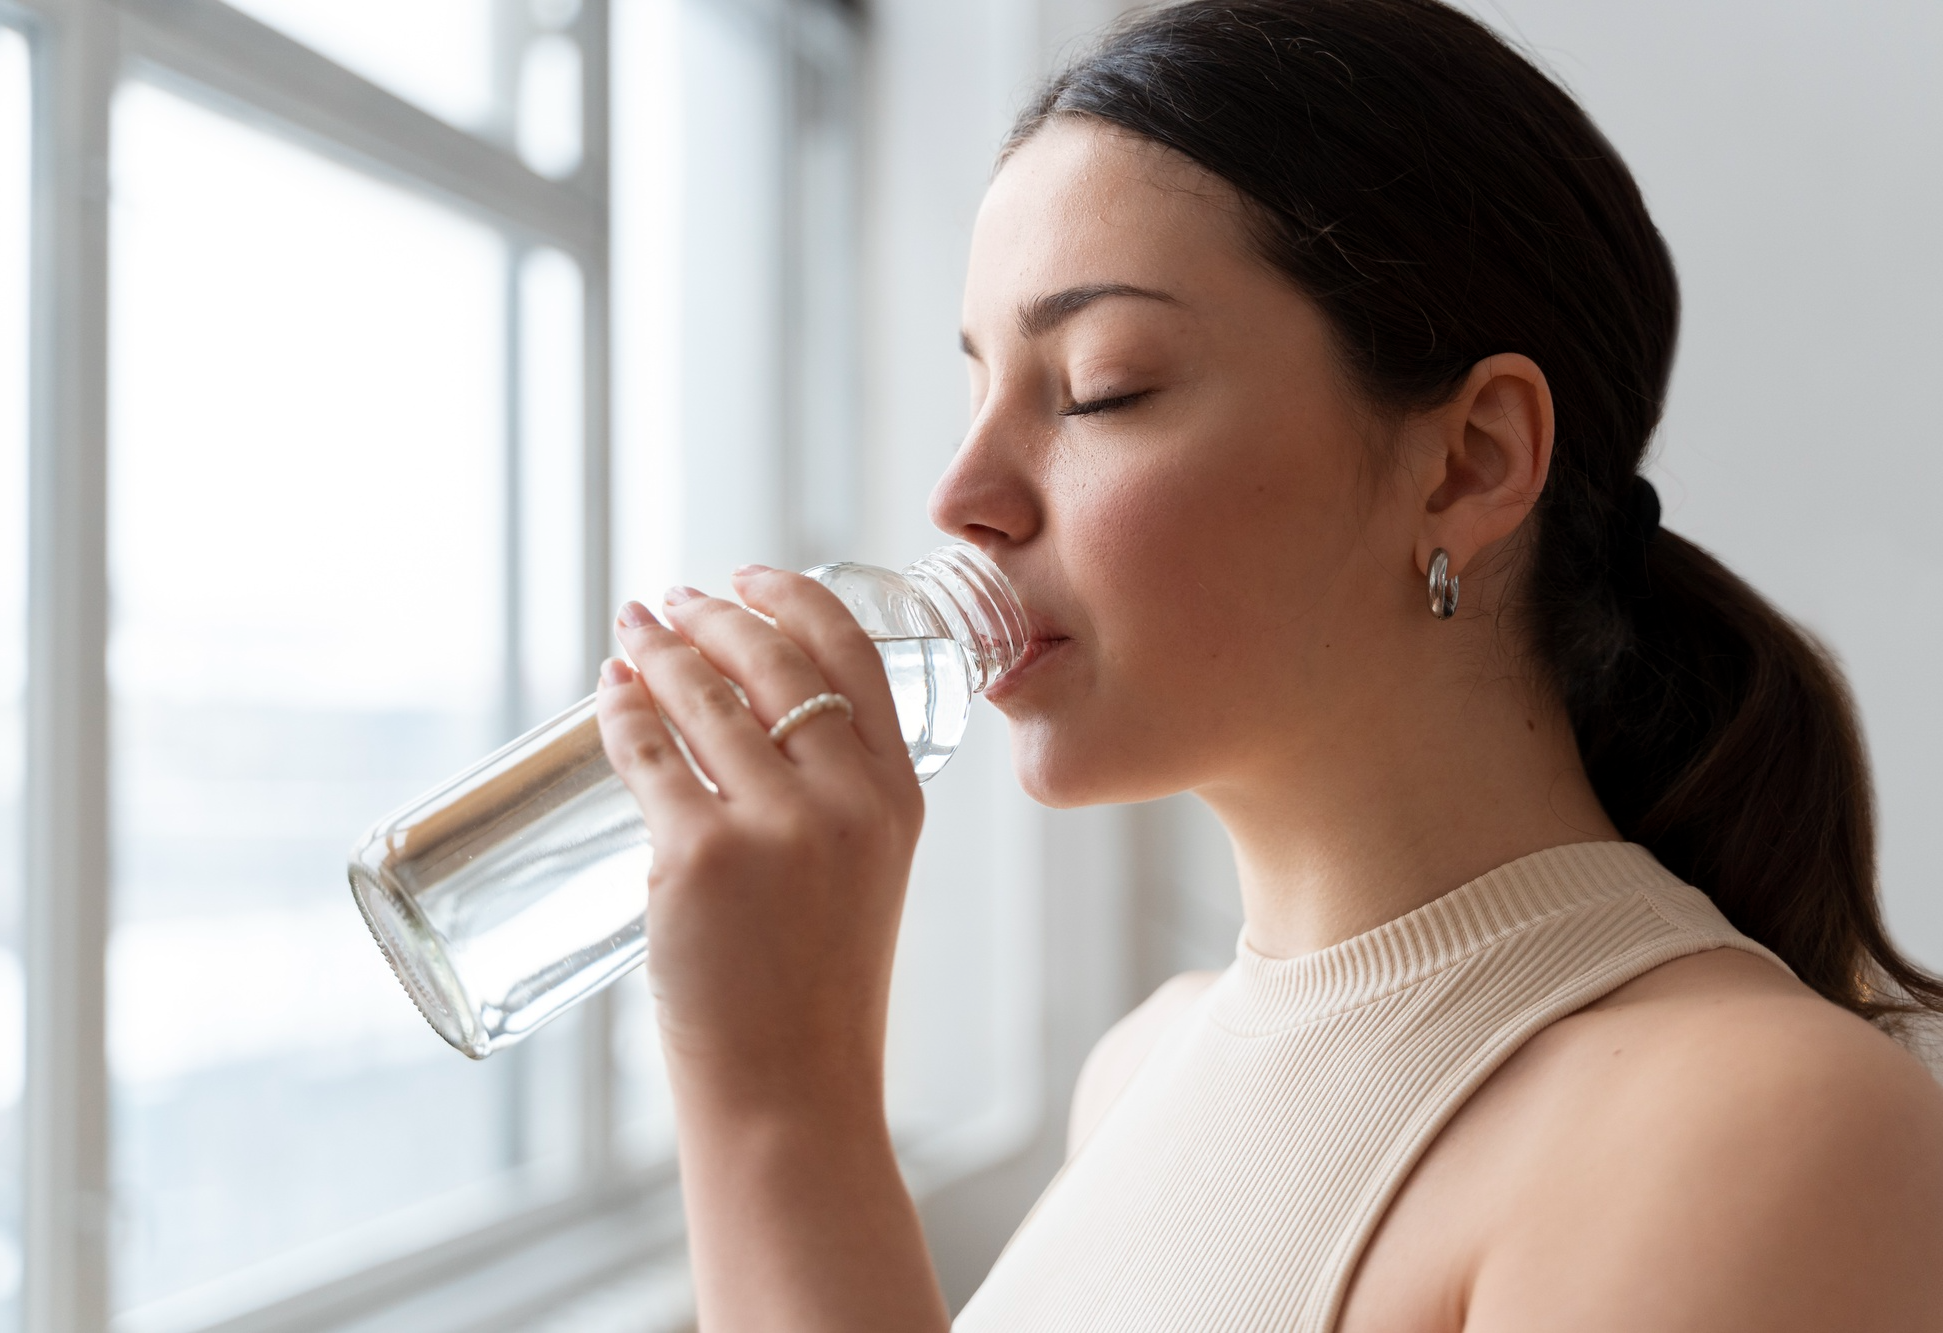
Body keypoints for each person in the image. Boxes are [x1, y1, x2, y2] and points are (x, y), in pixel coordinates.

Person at [592, 1, 1943, 1328]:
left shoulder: (1758, 1129)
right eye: (975, 388)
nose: (960, 494)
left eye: (1102, 386)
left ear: (1471, 461)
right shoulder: (1141, 1067)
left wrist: (778, 1103)